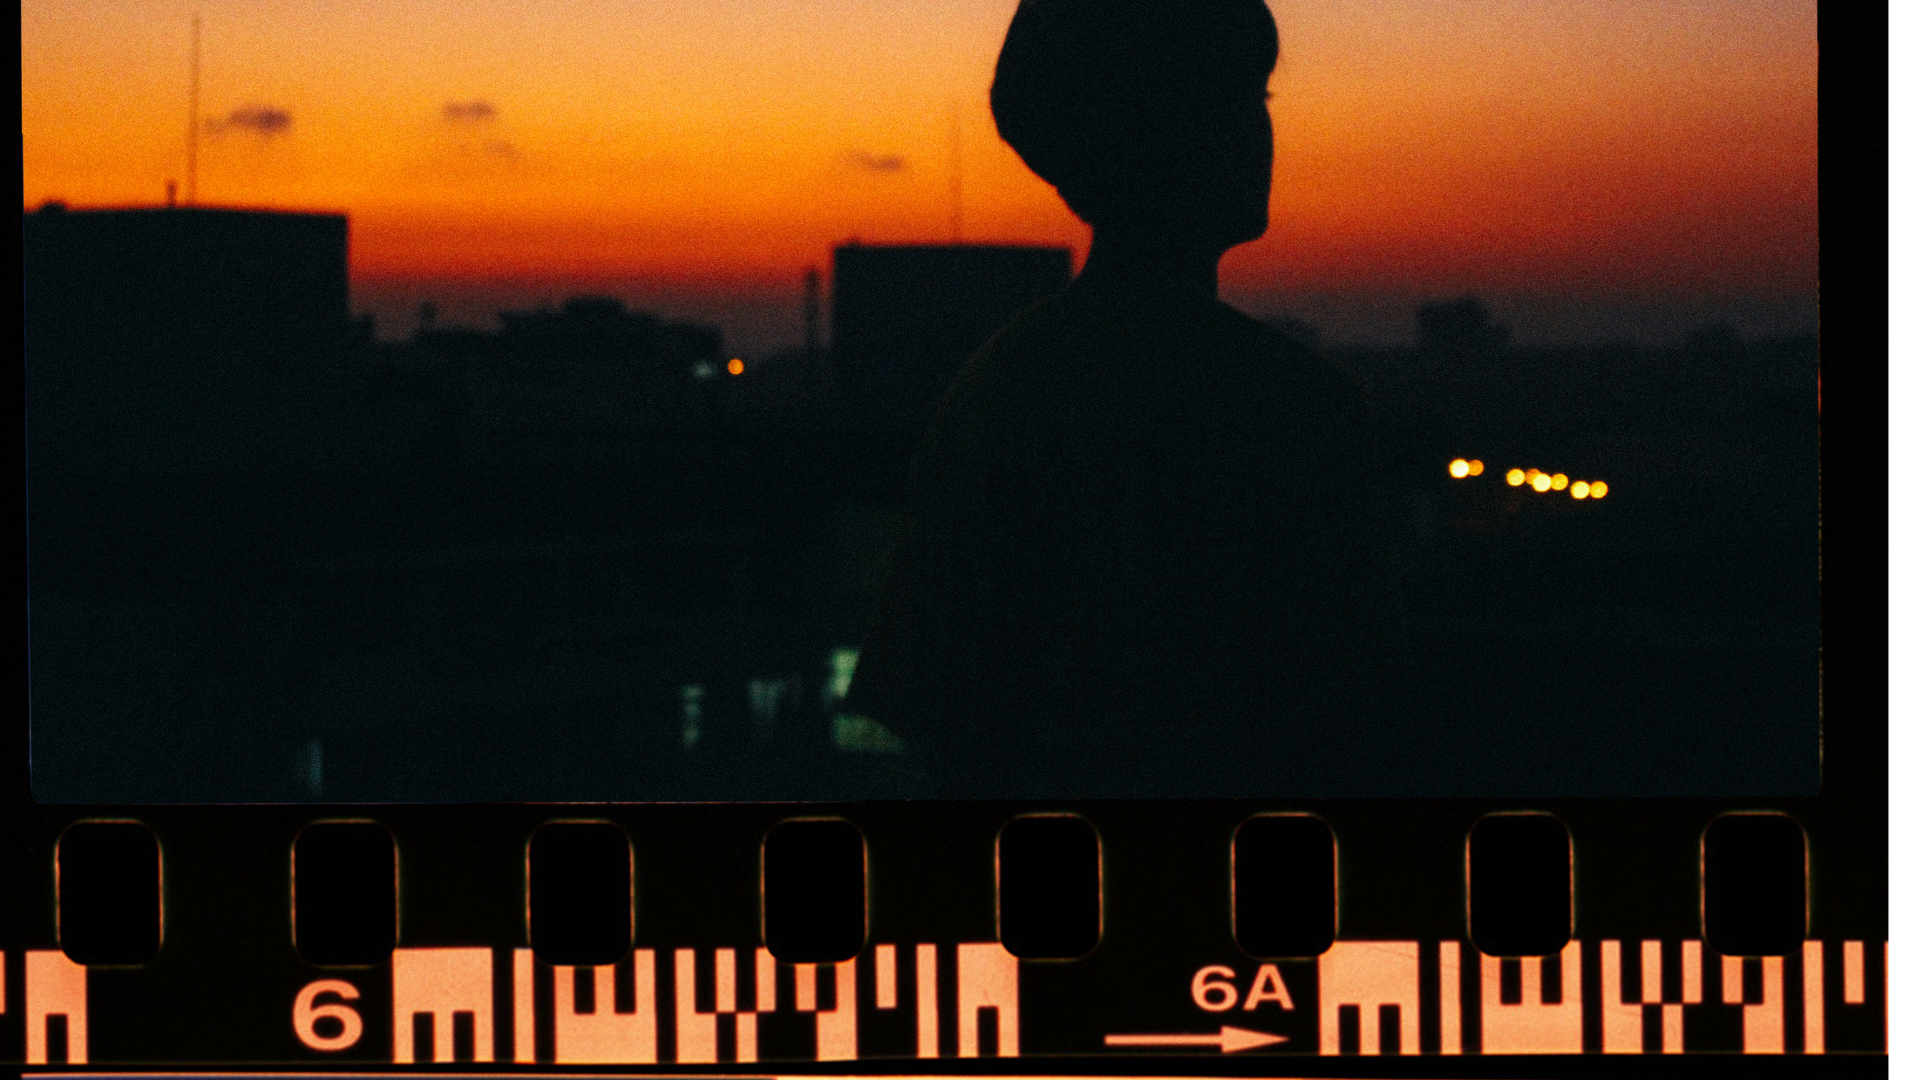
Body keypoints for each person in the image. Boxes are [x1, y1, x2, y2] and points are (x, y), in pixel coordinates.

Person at [841, 0, 1411, 797]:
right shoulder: (1289, 404)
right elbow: (1351, 718)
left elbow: (933, 705)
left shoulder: (998, 386)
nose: (1260, 132)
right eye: (1240, 101)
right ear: (1166, 134)